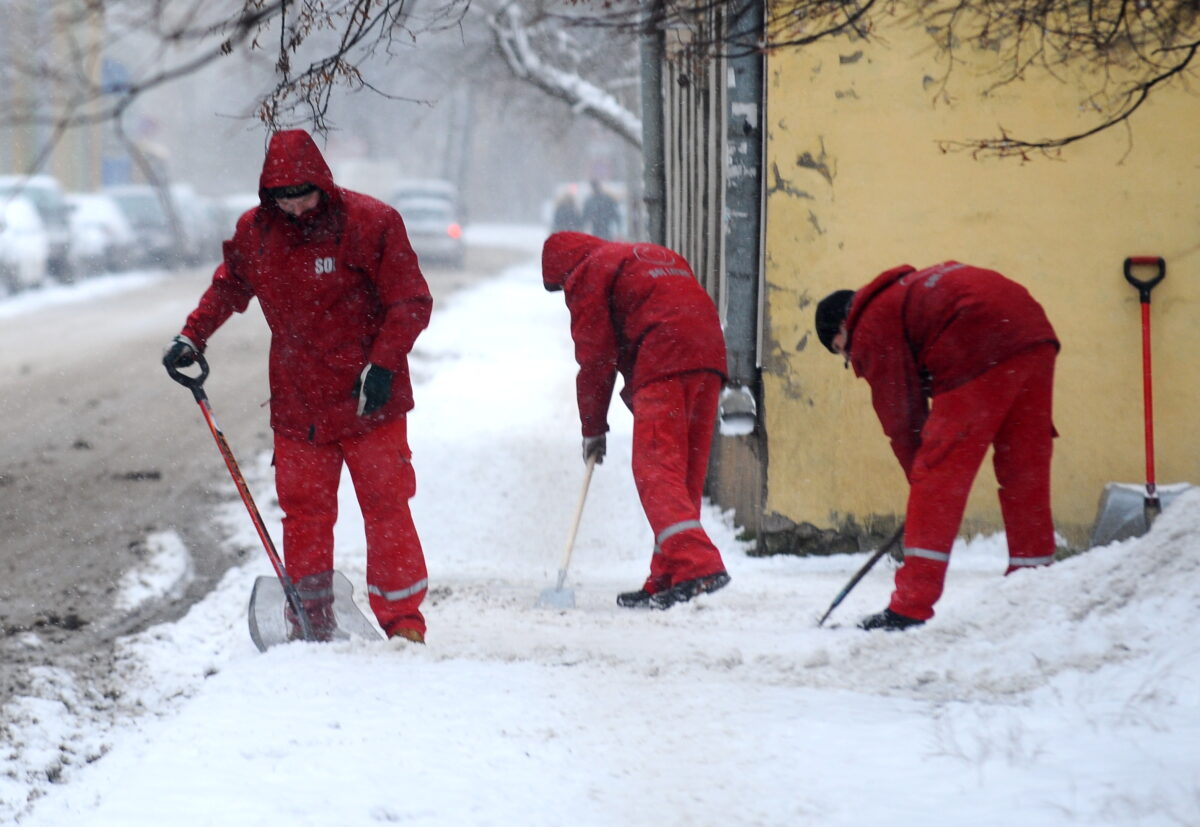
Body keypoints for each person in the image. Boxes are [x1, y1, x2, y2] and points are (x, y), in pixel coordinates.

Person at [162, 129, 432, 644]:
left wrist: (383, 365)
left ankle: (404, 623)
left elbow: (410, 302)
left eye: (302, 194)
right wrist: (192, 335)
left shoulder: (370, 223)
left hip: (367, 399)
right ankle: (311, 621)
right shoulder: (257, 233)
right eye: (282, 197)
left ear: (322, 184)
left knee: (386, 508)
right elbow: (229, 287)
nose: (294, 207)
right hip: (297, 403)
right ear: (268, 194)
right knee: (305, 514)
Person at [815, 261, 1060, 630]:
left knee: (937, 480)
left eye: (842, 352)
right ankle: (1034, 580)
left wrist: (921, 477)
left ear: (842, 328)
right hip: (1030, 331)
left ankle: (909, 606)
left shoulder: (870, 323)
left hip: (976, 338)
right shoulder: (901, 298)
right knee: (1023, 465)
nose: (850, 358)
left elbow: (900, 417)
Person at [542, 231, 731, 609]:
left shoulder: (588, 272)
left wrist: (593, 430)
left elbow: (596, 358)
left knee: (656, 470)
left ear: (565, 270)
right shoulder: (647, 255)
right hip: (709, 357)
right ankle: (670, 574)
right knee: (682, 477)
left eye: (561, 286)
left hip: (665, 359)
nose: (567, 293)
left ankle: (697, 566)